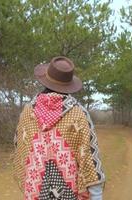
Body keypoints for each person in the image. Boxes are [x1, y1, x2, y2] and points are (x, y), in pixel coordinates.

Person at [13, 56, 105, 200]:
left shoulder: (27, 112)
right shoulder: (78, 113)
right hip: (68, 192)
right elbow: (88, 156)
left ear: (45, 79)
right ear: (69, 84)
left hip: (35, 188)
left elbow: (22, 149)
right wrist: (96, 195)